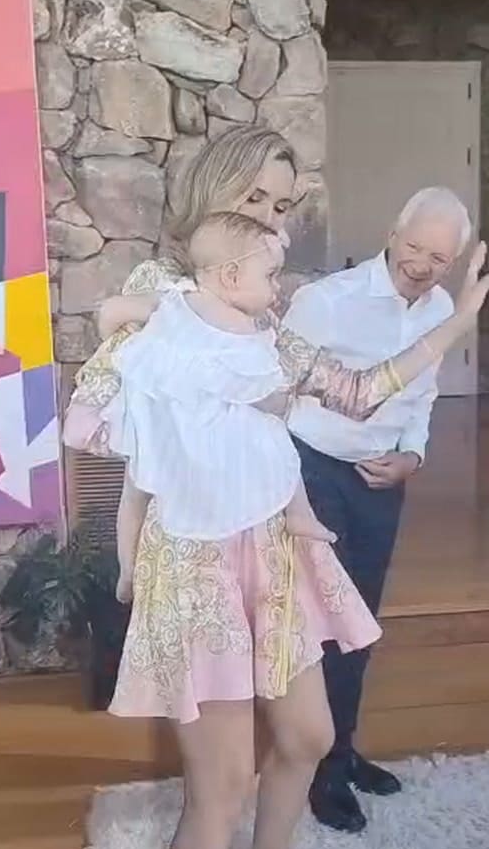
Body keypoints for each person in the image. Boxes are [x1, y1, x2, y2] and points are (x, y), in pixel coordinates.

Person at [63, 126, 489, 849]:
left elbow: (356, 389)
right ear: (214, 198)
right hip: (201, 566)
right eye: (258, 201)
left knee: (305, 735)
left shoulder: (269, 313)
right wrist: (126, 344)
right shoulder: (161, 298)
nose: (273, 221)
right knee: (216, 784)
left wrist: (458, 319)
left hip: (273, 544)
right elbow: (92, 424)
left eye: (281, 206)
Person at [281, 187, 473, 833]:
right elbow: (278, 399)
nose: (420, 264)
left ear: (453, 262)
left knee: (360, 625)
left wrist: (411, 458)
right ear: (393, 231)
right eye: (414, 247)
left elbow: (421, 397)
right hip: (312, 469)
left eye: (437, 258)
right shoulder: (324, 303)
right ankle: (316, 771)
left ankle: (341, 750)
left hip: (380, 477)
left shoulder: (441, 308)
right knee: (321, 628)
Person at [94, 213, 334, 604]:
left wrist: (123, 346)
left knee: (135, 488)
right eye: (271, 275)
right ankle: (299, 512)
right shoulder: (243, 328)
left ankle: (127, 568)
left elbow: (113, 314)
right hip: (207, 440)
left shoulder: (174, 303)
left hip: (161, 431)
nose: (277, 287)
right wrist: (279, 401)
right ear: (232, 277)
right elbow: (260, 392)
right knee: (276, 442)